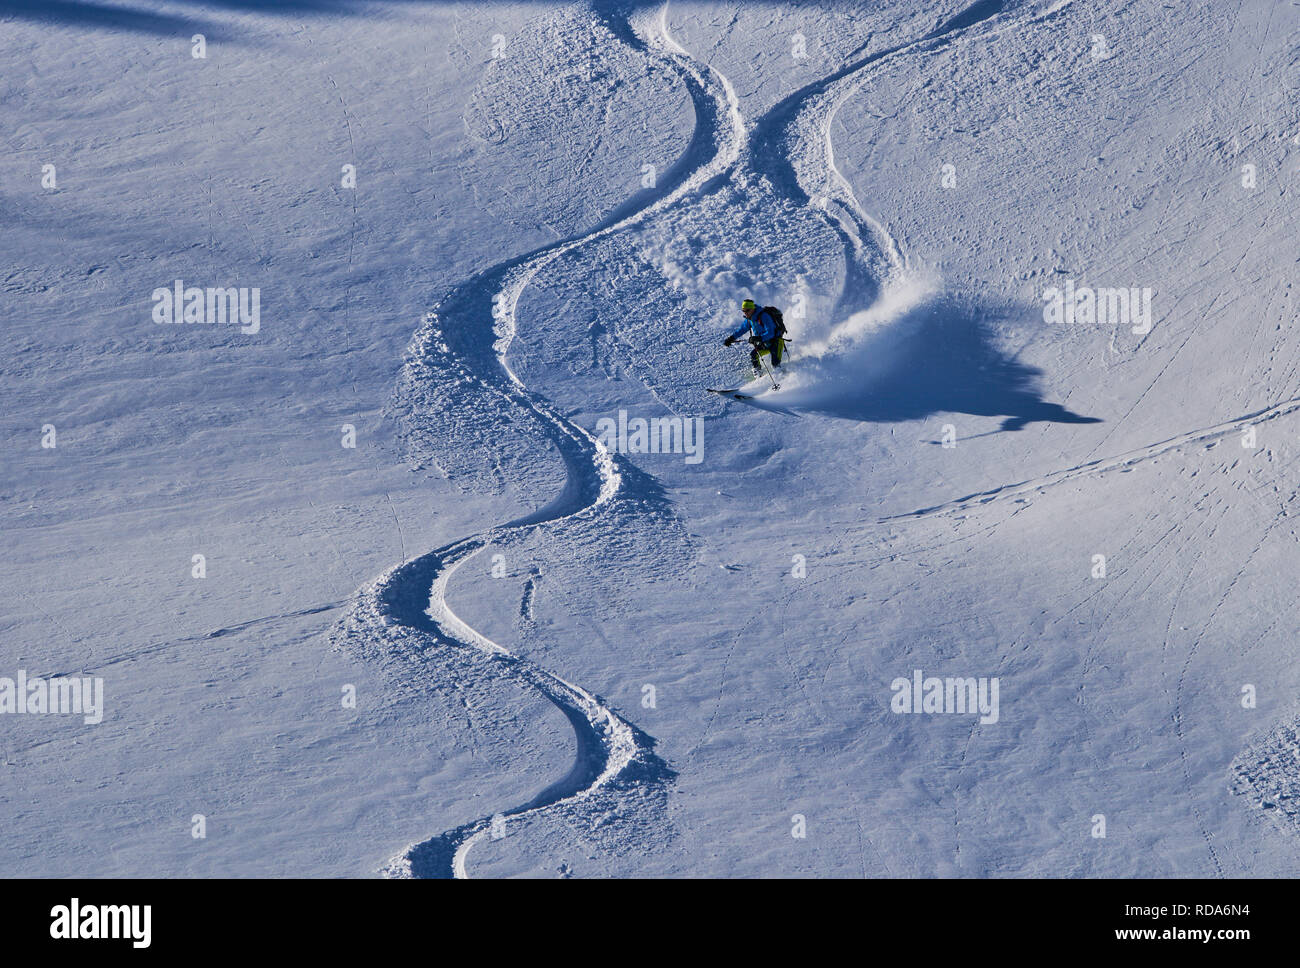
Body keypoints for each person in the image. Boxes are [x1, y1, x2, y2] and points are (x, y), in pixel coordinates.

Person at [723, 299, 785, 374]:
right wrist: (731, 338)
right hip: (765, 343)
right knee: (754, 355)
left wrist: (758, 338)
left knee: (775, 364)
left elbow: (771, 333)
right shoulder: (749, 320)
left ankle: (784, 378)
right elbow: (742, 329)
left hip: (776, 342)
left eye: (747, 310)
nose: (745, 313)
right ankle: (758, 374)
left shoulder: (764, 316)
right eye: (743, 311)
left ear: (752, 309)